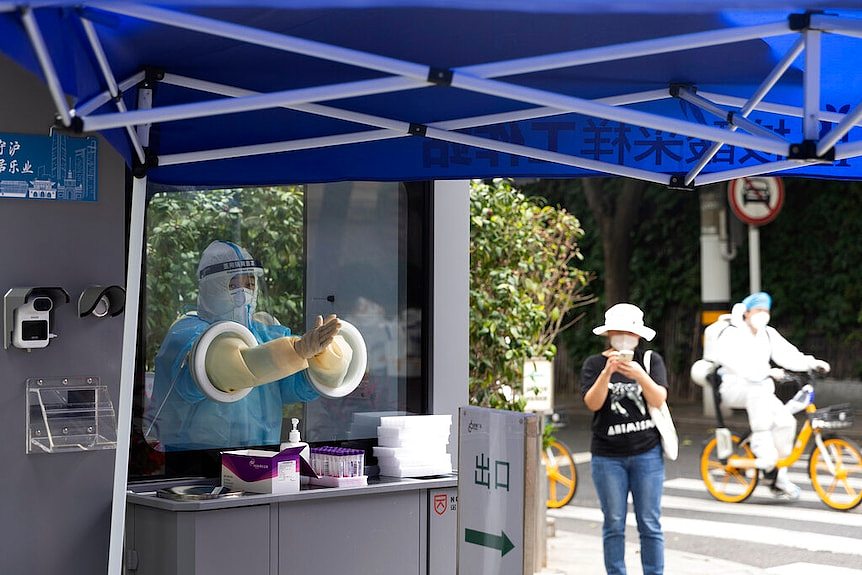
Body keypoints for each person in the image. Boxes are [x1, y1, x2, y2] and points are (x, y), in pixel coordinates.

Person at [145, 240, 354, 451]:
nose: (243, 292)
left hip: (259, 458)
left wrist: (325, 358)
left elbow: (298, 385)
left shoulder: (266, 332)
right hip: (195, 462)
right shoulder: (187, 333)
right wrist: (295, 352)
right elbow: (226, 366)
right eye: (233, 284)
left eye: (250, 283)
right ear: (210, 286)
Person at [714, 291, 831, 500]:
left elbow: (788, 353)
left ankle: (777, 476)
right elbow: (735, 364)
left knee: (786, 421)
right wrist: (767, 372)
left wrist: (811, 363)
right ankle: (765, 457)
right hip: (734, 387)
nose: (763, 315)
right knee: (759, 401)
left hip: (761, 387)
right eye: (759, 310)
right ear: (747, 312)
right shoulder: (731, 334)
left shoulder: (767, 333)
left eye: (766, 311)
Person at [581, 303, 668, 575]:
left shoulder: (651, 360)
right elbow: (593, 404)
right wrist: (608, 372)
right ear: (608, 334)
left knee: (650, 524)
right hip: (607, 457)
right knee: (614, 523)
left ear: (639, 336)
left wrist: (639, 375)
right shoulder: (594, 364)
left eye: (629, 332)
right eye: (618, 331)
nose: (624, 337)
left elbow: (659, 398)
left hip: (647, 453)